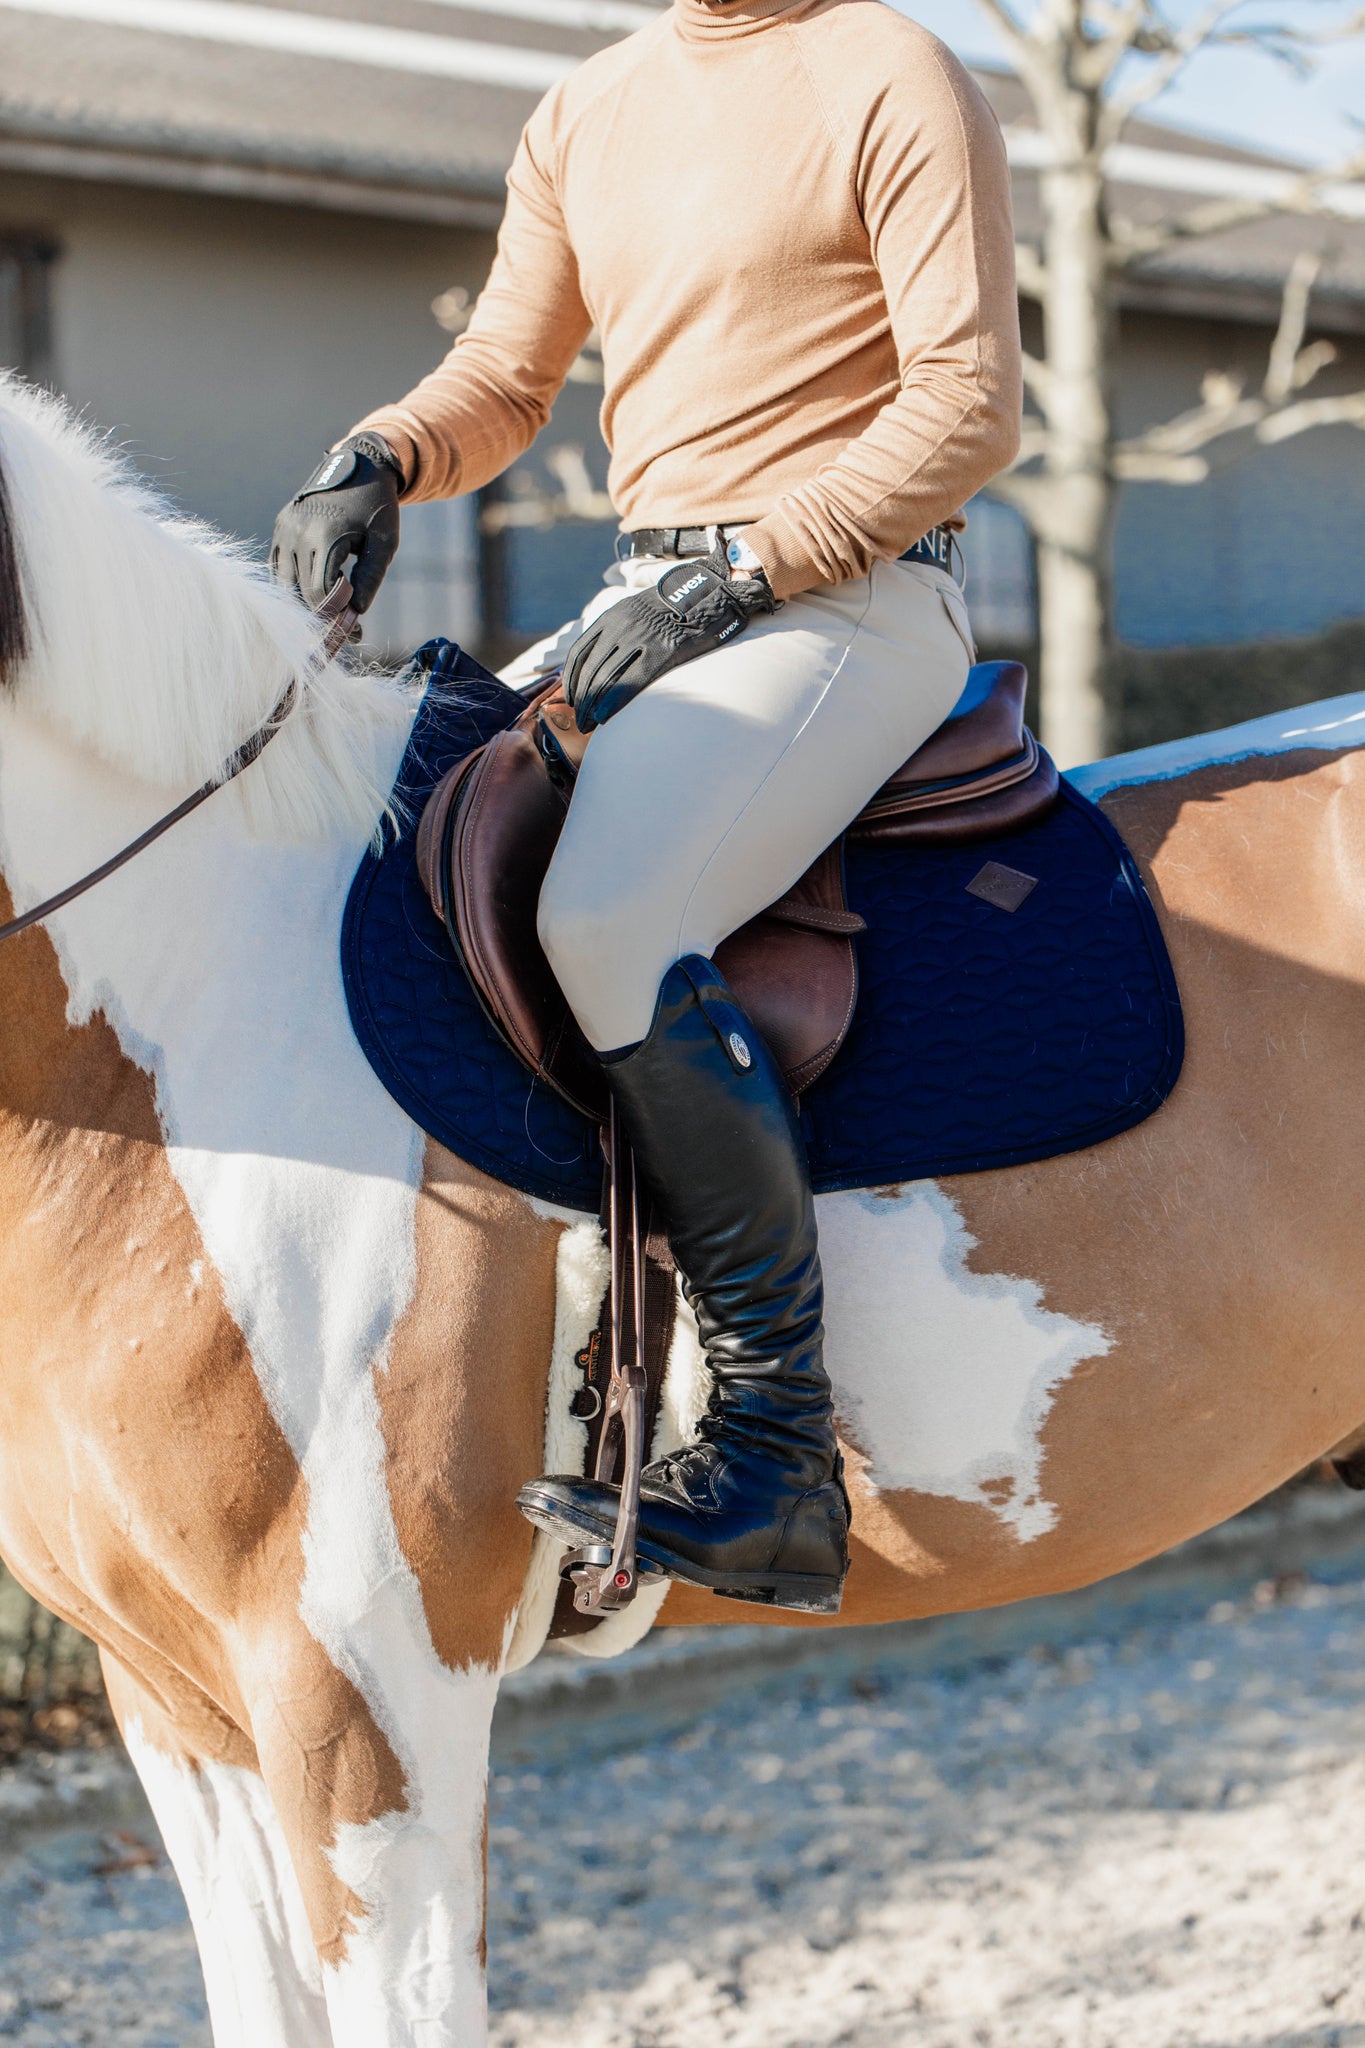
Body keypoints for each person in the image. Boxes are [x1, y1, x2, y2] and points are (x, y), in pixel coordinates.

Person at [272, 0, 1021, 1617]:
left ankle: (769, 1451)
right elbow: (506, 372)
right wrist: (381, 455)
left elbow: (966, 405)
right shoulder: (592, 107)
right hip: (648, 593)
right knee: (372, 836)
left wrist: (752, 566)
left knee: (608, 915)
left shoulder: (884, 66)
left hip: (846, 599)